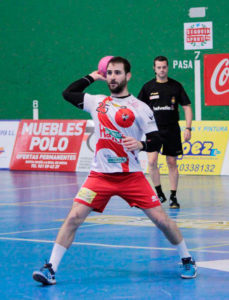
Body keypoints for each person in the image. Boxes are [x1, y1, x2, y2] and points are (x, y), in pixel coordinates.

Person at [32, 56, 197, 285]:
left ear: (127, 76)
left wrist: (141, 145)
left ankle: (187, 259)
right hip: (100, 176)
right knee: (74, 217)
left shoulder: (141, 108)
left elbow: (156, 140)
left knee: (161, 220)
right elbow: (68, 93)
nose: (112, 77)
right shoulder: (96, 102)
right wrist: (91, 76)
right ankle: (50, 269)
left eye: (117, 72)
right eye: (109, 73)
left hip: (131, 176)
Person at [138, 56, 193, 209]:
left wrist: (188, 128)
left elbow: (187, 107)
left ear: (167, 68)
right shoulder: (147, 87)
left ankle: (173, 196)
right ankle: (159, 193)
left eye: (164, 67)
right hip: (153, 130)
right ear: (154, 69)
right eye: (159, 67)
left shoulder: (176, 86)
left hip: (172, 129)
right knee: (151, 161)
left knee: (171, 162)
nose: (162, 70)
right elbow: (138, 108)